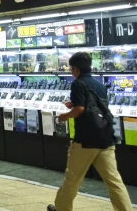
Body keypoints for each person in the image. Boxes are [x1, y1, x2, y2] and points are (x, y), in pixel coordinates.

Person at [48, 52, 132, 211]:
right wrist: (74, 105)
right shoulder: (99, 84)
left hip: (85, 142)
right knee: (114, 181)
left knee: (72, 180)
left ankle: (61, 209)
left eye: (71, 69)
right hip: (105, 139)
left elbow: (80, 109)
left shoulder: (78, 84)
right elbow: (94, 107)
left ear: (76, 69)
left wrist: (64, 116)